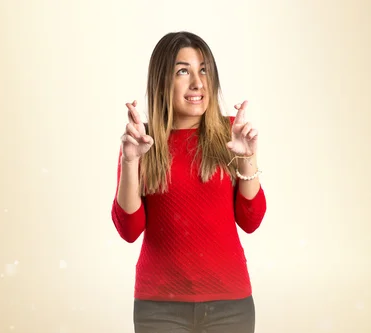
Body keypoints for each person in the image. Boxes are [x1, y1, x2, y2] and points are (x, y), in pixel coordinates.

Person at [110, 31, 267, 333]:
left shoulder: (231, 133)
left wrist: (248, 157)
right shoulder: (141, 140)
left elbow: (251, 220)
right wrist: (131, 161)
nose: (198, 83)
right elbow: (129, 230)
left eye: (204, 70)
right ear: (161, 81)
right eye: (184, 71)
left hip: (230, 305)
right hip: (159, 308)